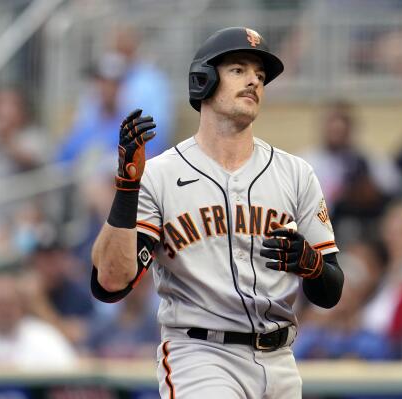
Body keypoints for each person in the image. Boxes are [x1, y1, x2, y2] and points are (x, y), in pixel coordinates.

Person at [90, 27, 344, 398]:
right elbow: (109, 284)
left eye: (260, 76)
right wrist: (127, 189)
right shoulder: (161, 174)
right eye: (239, 70)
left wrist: (313, 265)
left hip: (280, 360)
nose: (254, 81)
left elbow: (330, 291)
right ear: (203, 80)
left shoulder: (296, 173)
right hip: (200, 356)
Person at [0, 273, 76, 370]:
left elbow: (68, 374)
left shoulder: (44, 337)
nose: (3, 311)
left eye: (9, 303)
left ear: (21, 305)